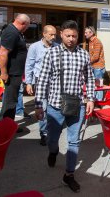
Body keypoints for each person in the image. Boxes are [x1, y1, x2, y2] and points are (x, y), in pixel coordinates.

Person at [34, 20, 94, 193]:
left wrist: (90, 99)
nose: (71, 39)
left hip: (77, 105)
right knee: (52, 139)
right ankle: (53, 152)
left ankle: (69, 175)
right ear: (61, 35)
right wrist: (39, 105)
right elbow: (43, 80)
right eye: (68, 35)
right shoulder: (51, 53)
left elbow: (89, 78)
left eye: (74, 36)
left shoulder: (83, 55)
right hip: (54, 106)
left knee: (74, 141)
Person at [25, 25, 57, 146]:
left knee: (53, 107)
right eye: (51, 34)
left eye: (55, 35)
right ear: (44, 34)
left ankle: (53, 130)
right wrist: (29, 82)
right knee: (42, 107)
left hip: (54, 81)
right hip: (40, 80)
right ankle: (44, 133)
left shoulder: (57, 47)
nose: (53, 37)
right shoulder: (34, 47)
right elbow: (29, 65)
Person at [0, 14, 30, 120]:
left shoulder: (15, 32)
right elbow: (3, 53)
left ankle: (10, 125)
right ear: (23, 24)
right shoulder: (11, 32)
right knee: (10, 101)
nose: (27, 29)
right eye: (28, 26)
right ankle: (4, 128)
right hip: (11, 73)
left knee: (13, 100)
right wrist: (4, 73)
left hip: (15, 73)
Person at [84, 26, 106, 100]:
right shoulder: (90, 41)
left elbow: (95, 57)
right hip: (93, 66)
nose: (85, 34)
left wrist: (86, 62)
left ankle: (99, 102)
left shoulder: (97, 42)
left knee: (99, 86)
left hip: (98, 67)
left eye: (86, 32)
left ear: (92, 33)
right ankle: (94, 100)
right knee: (94, 84)